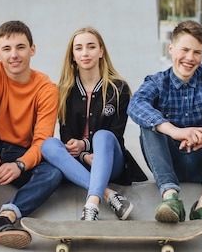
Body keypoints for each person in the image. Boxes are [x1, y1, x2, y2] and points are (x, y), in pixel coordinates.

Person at [127, 20, 202, 240]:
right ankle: (171, 199)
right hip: (169, 162)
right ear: (171, 49)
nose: (190, 58)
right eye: (184, 50)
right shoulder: (157, 81)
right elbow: (135, 105)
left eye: (197, 52)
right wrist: (174, 131)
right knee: (150, 122)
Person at [0, 20, 63, 249]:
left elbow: (42, 141)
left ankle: (5, 216)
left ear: (32, 49)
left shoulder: (46, 89)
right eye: (6, 49)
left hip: (18, 153)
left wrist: (19, 165)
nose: (14, 55)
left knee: (54, 172)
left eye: (20, 47)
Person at [41, 27, 147, 221]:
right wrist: (83, 154)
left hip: (111, 160)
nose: (85, 53)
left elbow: (116, 134)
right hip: (80, 161)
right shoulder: (64, 90)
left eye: (91, 47)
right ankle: (109, 194)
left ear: (101, 51)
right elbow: (67, 135)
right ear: (72, 55)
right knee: (48, 145)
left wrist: (86, 146)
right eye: (79, 48)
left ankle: (92, 204)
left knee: (103, 135)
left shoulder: (118, 88)